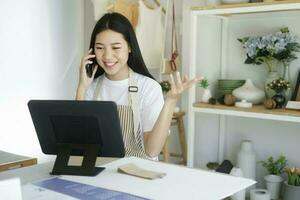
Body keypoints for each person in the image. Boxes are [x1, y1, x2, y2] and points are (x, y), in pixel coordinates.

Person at [76, 12, 198, 160]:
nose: (107, 56)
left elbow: (151, 150)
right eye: (100, 48)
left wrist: (171, 101)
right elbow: (79, 141)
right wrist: (81, 87)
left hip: (137, 175)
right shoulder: (91, 87)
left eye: (115, 47)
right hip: (100, 172)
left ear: (129, 47)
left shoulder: (148, 87)